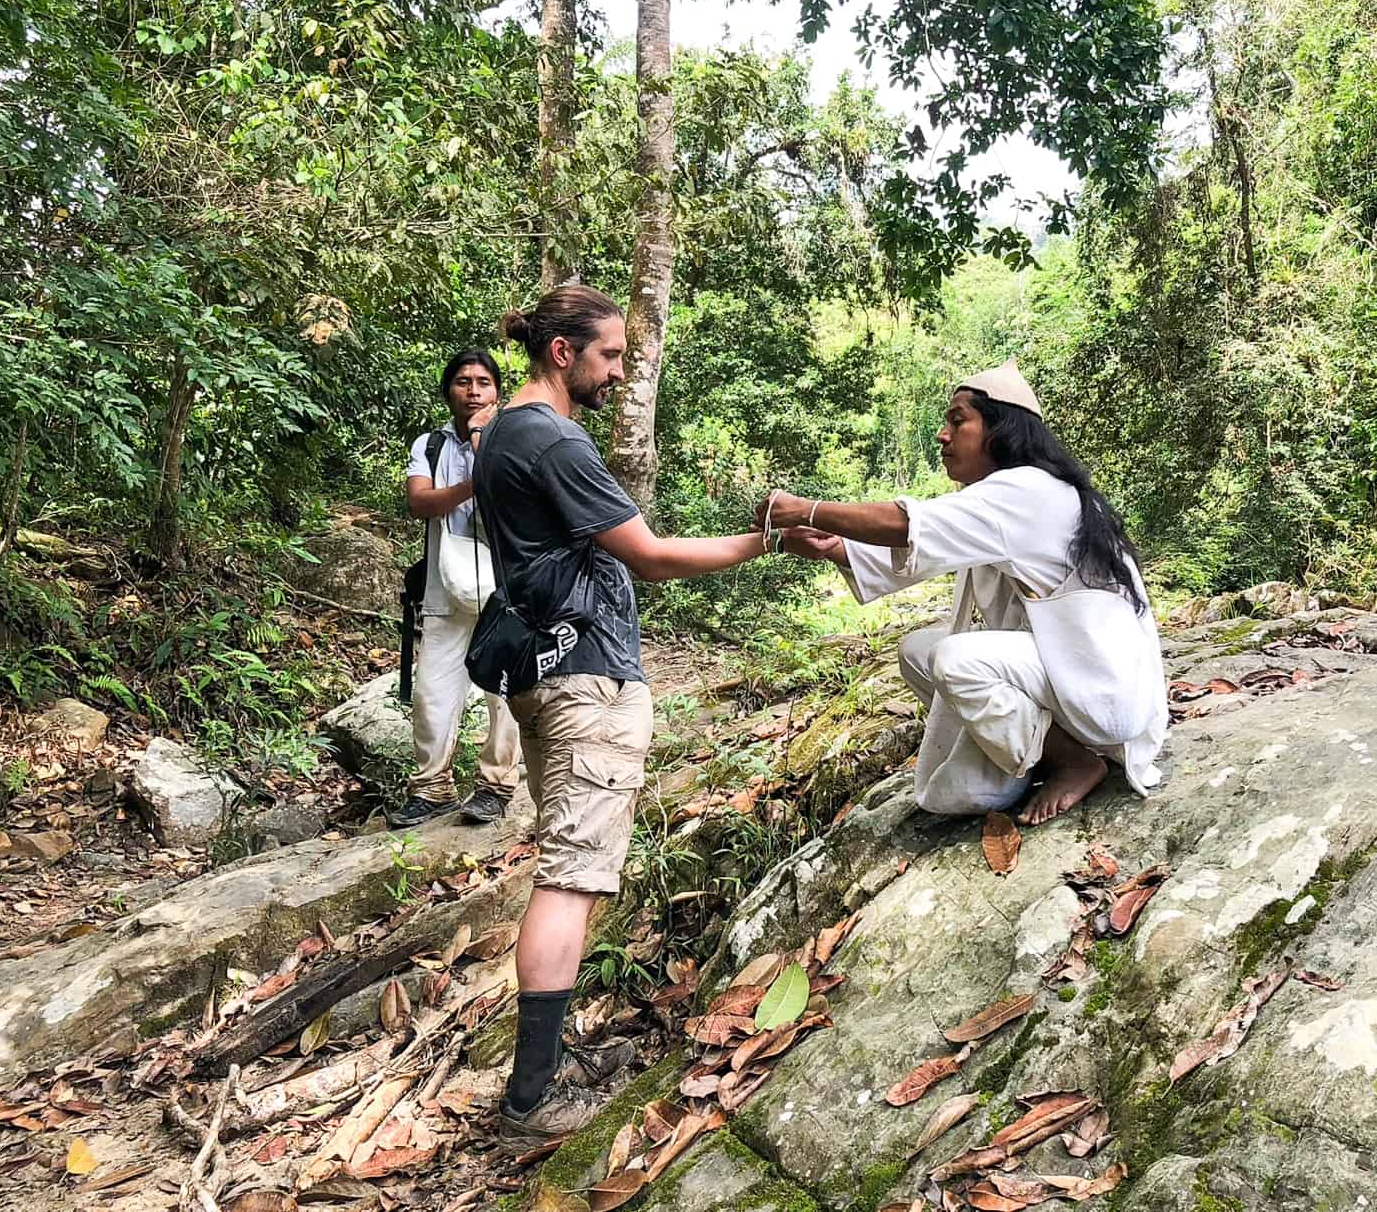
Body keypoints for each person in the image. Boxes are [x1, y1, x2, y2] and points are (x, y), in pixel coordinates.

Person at [475, 283, 828, 1140]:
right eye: (612, 355)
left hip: (546, 670)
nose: (620, 371)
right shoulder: (550, 437)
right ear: (564, 352)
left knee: (572, 868)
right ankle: (531, 1100)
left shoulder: (501, 436)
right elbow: (654, 556)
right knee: (572, 875)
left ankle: (543, 1071)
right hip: (585, 676)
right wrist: (771, 539)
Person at [759, 361, 1167, 825]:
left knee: (954, 659)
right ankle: (1048, 751)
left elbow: (907, 524)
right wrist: (834, 548)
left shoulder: (1029, 490)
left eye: (958, 420)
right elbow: (921, 549)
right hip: (1066, 673)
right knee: (919, 654)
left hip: (1100, 688)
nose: (943, 435)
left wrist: (810, 510)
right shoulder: (1008, 494)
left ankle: (1074, 761)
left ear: (1002, 430)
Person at [391, 350, 523, 829]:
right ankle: (432, 787)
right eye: (464, 381)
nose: (473, 390)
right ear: (448, 390)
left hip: (506, 589)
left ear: (498, 392)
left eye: (484, 382)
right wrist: (474, 480)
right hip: (444, 587)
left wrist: (485, 446)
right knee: (433, 692)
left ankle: (495, 785)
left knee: (505, 692)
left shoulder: (515, 438)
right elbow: (420, 502)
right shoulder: (430, 445)